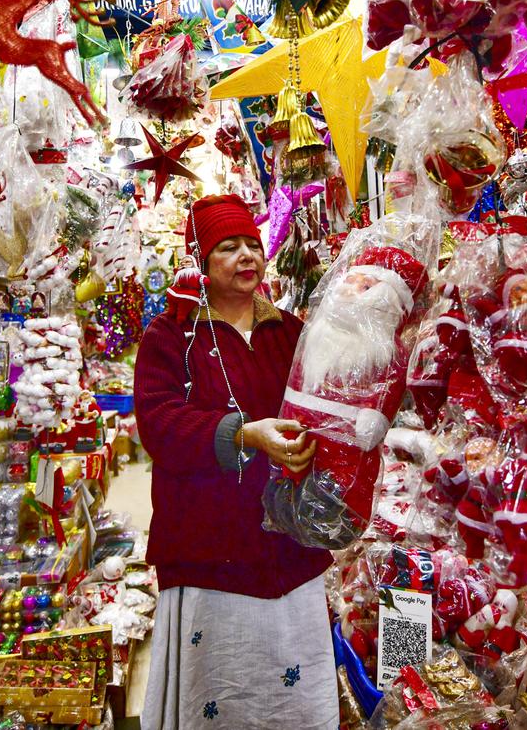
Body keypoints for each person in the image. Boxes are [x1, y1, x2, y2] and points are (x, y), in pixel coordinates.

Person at [134, 194, 337, 730]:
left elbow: (323, 405)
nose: (247, 256)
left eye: (253, 244)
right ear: (200, 260)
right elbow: (159, 425)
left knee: (296, 698)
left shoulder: (289, 331)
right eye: (229, 247)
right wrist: (245, 435)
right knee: (222, 693)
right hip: (210, 550)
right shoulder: (169, 338)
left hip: (289, 545)